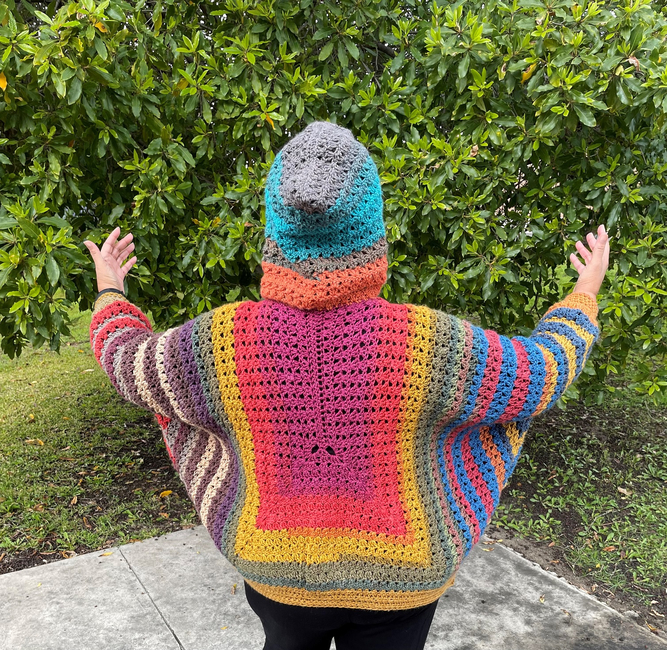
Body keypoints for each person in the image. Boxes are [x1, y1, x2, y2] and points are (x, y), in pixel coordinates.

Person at [83, 121, 610, 650]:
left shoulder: (225, 342)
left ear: (276, 231)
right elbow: (541, 371)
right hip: (404, 575)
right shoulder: (425, 343)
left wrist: (110, 289)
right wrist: (584, 292)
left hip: (277, 570)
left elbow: (127, 359)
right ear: (370, 230)